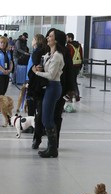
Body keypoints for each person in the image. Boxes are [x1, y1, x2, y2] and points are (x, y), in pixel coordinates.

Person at [32, 29, 65, 158]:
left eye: (50, 36)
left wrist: (37, 72)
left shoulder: (57, 55)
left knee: (47, 118)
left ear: (56, 40)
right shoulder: (50, 54)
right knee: (47, 118)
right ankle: (52, 148)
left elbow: (51, 75)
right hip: (50, 87)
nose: (48, 38)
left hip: (53, 86)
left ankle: (52, 148)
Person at [27, 34, 48, 147]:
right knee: (40, 111)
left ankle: (36, 133)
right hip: (38, 84)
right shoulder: (39, 51)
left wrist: (31, 75)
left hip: (37, 86)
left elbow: (34, 68)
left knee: (37, 110)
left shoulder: (37, 52)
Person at [66, 32, 83, 101]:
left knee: (71, 81)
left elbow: (68, 56)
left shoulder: (69, 46)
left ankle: (75, 94)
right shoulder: (79, 45)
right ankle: (76, 94)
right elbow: (81, 55)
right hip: (78, 65)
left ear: (70, 38)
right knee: (74, 80)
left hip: (71, 65)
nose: (66, 39)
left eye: (67, 37)